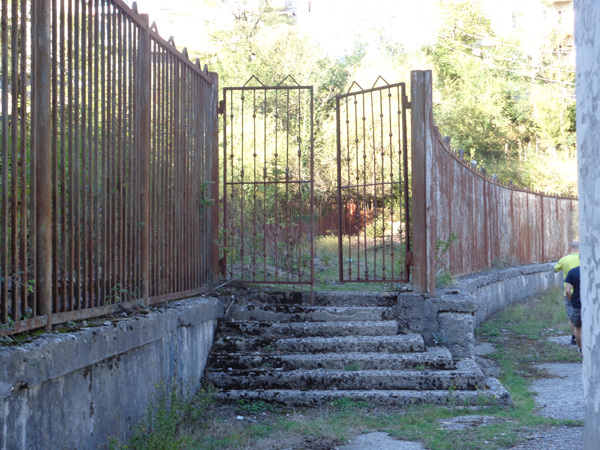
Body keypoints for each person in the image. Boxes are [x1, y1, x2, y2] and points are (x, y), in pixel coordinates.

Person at [554, 241, 580, 345]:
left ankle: (574, 337)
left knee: (572, 315)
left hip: (569, 292)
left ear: (569, 248)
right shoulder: (584, 258)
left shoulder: (564, 259)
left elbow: (554, 269)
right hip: (583, 291)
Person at [564, 266, 582, 351]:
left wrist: (572, 301)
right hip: (594, 305)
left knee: (578, 328)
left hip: (577, 304)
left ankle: (581, 349)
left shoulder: (573, 271)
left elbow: (567, 290)